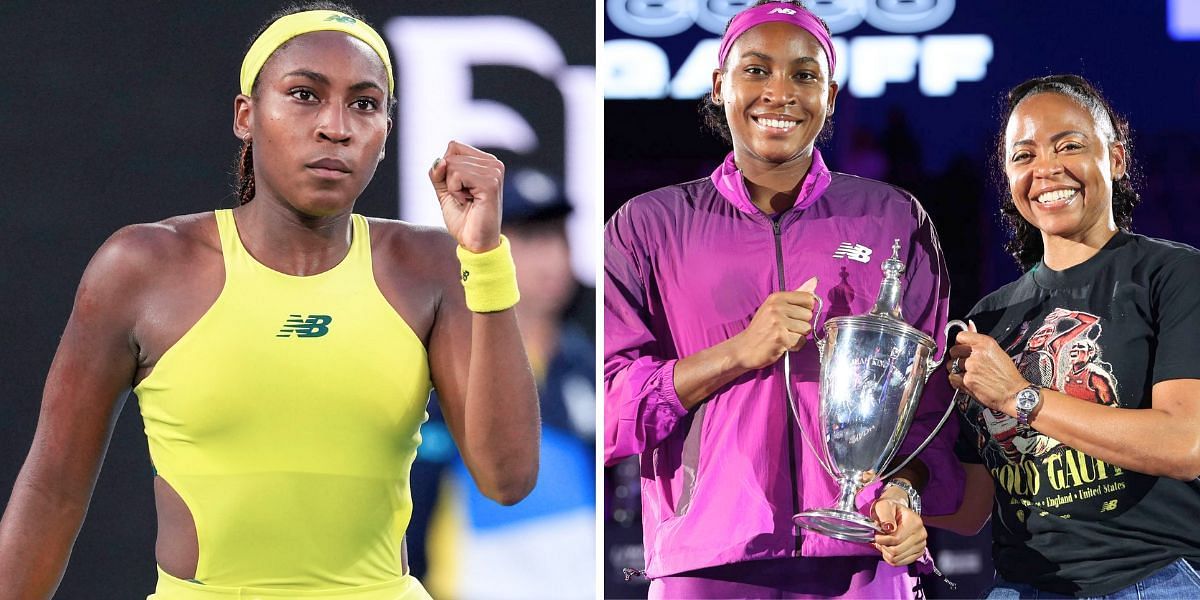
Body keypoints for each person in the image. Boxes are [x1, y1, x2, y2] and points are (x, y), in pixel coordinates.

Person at [0, 4, 539, 599]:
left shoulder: (434, 266)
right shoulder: (142, 267)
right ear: (246, 116)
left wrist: (485, 258)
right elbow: (52, 488)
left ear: (386, 132)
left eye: (364, 104)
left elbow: (507, 477)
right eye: (304, 94)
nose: (337, 126)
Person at [603, 1, 963, 597]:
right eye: (755, 70)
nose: (780, 92)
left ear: (831, 93)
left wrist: (903, 492)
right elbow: (610, 411)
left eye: (803, 74)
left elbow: (929, 406)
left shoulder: (891, 218)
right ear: (720, 86)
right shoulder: (650, 224)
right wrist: (739, 352)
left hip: (864, 555)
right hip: (708, 562)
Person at [934, 73, 1200, 598]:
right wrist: (898, 490)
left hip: (1153, 576)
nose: (1046, 170)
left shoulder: (1172, 276)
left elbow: (1186, 442)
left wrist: (1019, 397)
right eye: (1023, 155)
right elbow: (971, 510)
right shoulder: (987, 319)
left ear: (1116, 159)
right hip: (1022, 585)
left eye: (1069, 146)